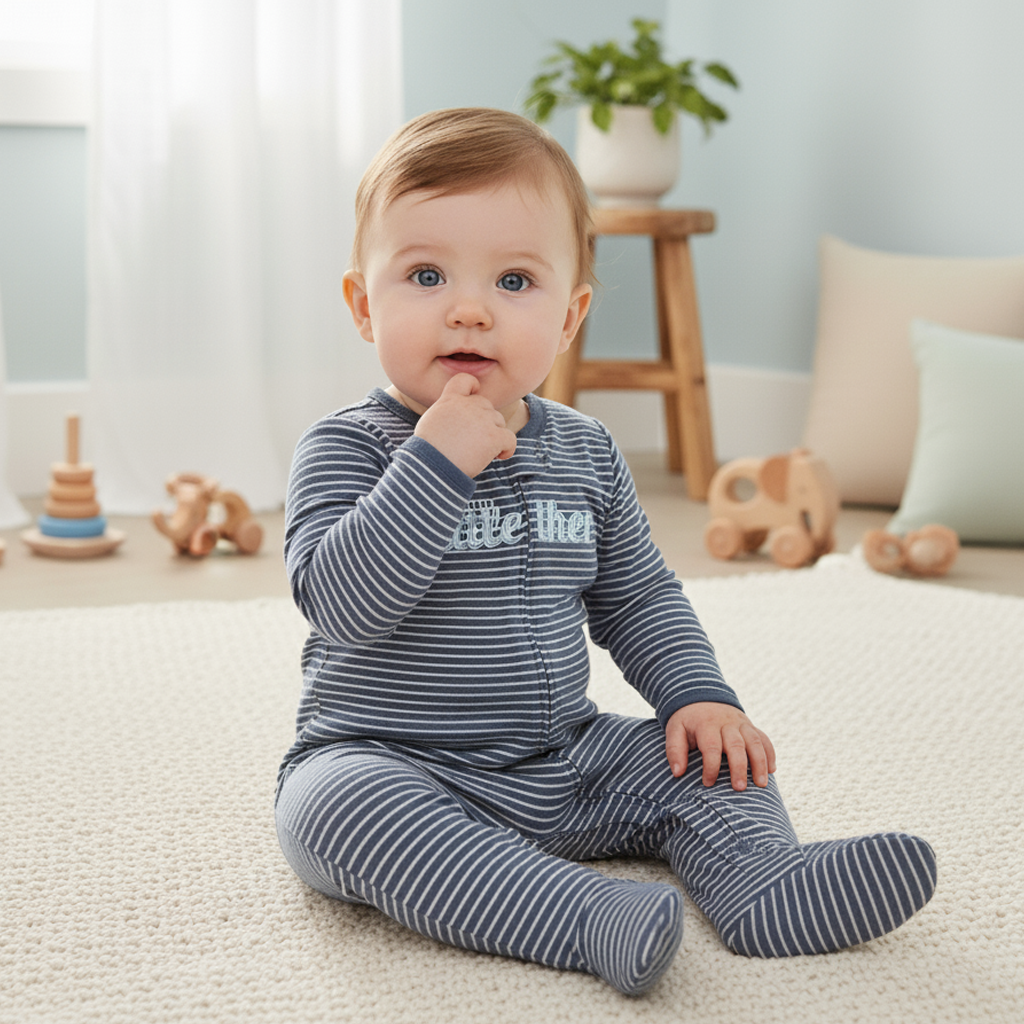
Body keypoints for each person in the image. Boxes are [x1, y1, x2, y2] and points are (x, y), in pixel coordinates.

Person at [274, 107, 936, 996]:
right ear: (364, 304)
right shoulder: (348, 448)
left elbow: (638, 597)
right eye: (425, 275)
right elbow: (342, 605)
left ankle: (759, 882)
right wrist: (434, 463)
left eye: (514, 281)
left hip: (565, 759)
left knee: (708, 760)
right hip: (393, 757)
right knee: (334, 816)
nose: (469, 308)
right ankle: (581, 915)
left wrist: (696, 696)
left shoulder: (584, 452)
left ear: (571, 315)